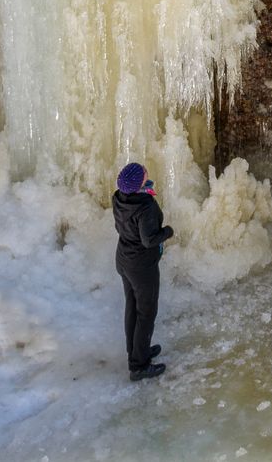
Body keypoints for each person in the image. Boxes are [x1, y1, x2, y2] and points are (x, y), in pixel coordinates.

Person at [112, 161, 174, 380]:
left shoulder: (119, 197)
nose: (147, 172)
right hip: (141, 267)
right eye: (143, 173)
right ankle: (139, 366)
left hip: (124, 260)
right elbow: (149, 240)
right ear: (138, 183)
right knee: (146, 313)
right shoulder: (145, 206)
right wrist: (167, 231)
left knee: (132, 307)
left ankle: (137, 351)